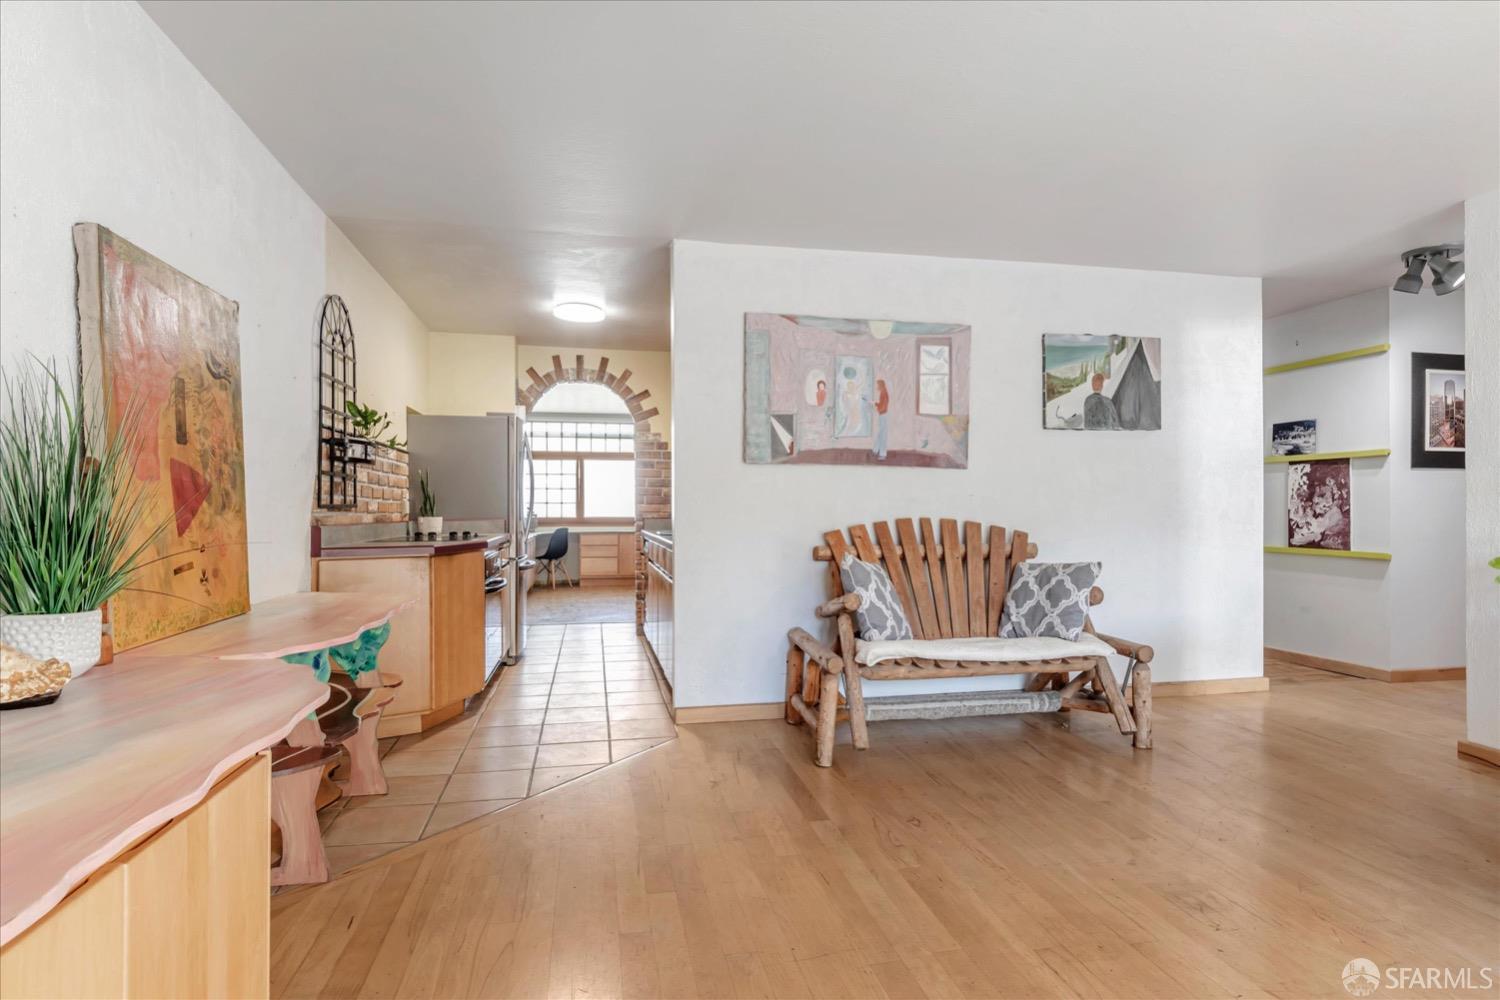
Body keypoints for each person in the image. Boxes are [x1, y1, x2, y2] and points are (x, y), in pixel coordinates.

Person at [871, 377, 890, 459]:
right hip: (882, 415)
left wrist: (877, 408)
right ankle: (875, 449)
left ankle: (883, 454)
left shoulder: (884, 393)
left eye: (877, 385)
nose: (876, 387)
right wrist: (874, 403)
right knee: (881, 433)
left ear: (880, 385)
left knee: (882, 435)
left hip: (883, 415)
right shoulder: (883, 392)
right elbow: (882, 404)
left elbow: (883, 406)